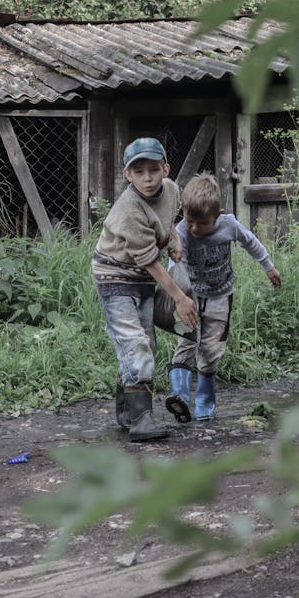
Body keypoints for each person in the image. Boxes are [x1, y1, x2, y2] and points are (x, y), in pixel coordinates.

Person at [92, 137, 198, 442]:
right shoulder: (128, 209)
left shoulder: (173, 190)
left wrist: (174, 240)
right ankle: (141, 420)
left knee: (145, 346)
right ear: (127, 175)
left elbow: (167, 222)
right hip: (114, 278)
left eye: (154, 169)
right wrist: (179, 298)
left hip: (140, 279)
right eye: (139, 172)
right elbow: (151, 261)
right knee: (135, 345)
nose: (148, 178)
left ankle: (127, 414)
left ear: (166, 168)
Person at [165, 173, 281, 423]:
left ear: (218, 214)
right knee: (185, 342)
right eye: (189, 219)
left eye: (201, 223)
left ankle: (205, 402)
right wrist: (175, 295)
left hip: (220, 296)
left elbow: (251, 242)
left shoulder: (228, 224)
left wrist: (269, 267)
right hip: (190, 297)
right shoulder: (181, 231)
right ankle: (179, 396)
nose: (193, 228)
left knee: (211, 348)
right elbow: (172, 264)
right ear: (183, 212)